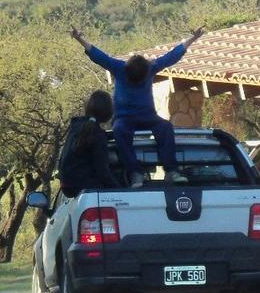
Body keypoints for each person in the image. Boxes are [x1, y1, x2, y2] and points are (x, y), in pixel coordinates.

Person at [70, 26, 204, 187]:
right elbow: (171, 56)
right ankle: (140, 172)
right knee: (127, 130)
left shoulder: (132, 68)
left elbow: (99, 56)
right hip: (129, 118)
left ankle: (167, 171)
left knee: (160, 128)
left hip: (143, 117)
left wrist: (79, 39)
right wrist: (194, 38)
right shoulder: (133, 68)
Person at [58, 90, 121, 198]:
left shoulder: (76, 127)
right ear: (108, 113)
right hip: (83, 186)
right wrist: (120, 190)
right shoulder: (97, 136)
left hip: (68, 186)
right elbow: (102, 171)